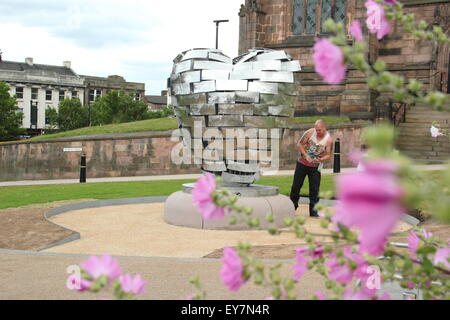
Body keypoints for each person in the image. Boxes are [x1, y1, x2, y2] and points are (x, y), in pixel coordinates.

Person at [290, 120, 333, 217]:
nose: (317, 132)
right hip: (302, 163)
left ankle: (313, 211)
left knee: (314, 189)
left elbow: (329, 155)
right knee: (296, 186)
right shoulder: (309, 133)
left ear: (324, 128)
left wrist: (320, 159)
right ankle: (293, 206)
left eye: (319, 130)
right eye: (316, 130)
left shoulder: (329, 140)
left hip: (315, 167)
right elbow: (299, 144)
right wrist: (305, 155)